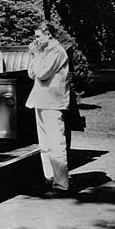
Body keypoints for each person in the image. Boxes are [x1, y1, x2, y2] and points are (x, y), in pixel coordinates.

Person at [25, 22, 71, 196]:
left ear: (49, 34)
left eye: (38, 36)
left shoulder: (57, 52)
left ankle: (61, 184)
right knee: (45, 144)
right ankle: (50, 178)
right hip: (41, 100)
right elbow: (32, 73)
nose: (35, 41)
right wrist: (33, 55)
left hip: (53, 102)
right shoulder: (42, 52)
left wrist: (36, 54)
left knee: (56, 143)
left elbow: (43, 73)